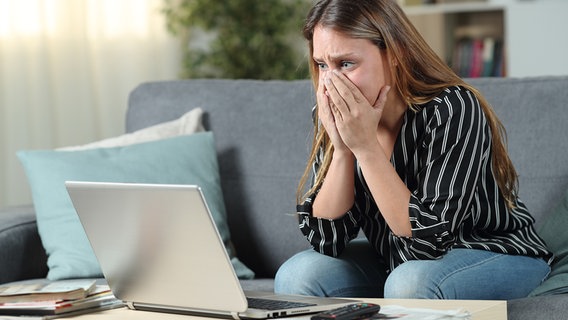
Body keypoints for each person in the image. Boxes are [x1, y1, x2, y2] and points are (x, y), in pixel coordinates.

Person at [274, 0, 553, 300]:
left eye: (346, 64)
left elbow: (427, 243)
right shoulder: (333, 113)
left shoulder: (452, 109)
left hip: (493, 252)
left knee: (409, 284)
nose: (331, 83)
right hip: (398, 258)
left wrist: (366, 148)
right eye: (322, 65)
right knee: (297, 275)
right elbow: (327, 240)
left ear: (395, 54)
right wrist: (343, 150)